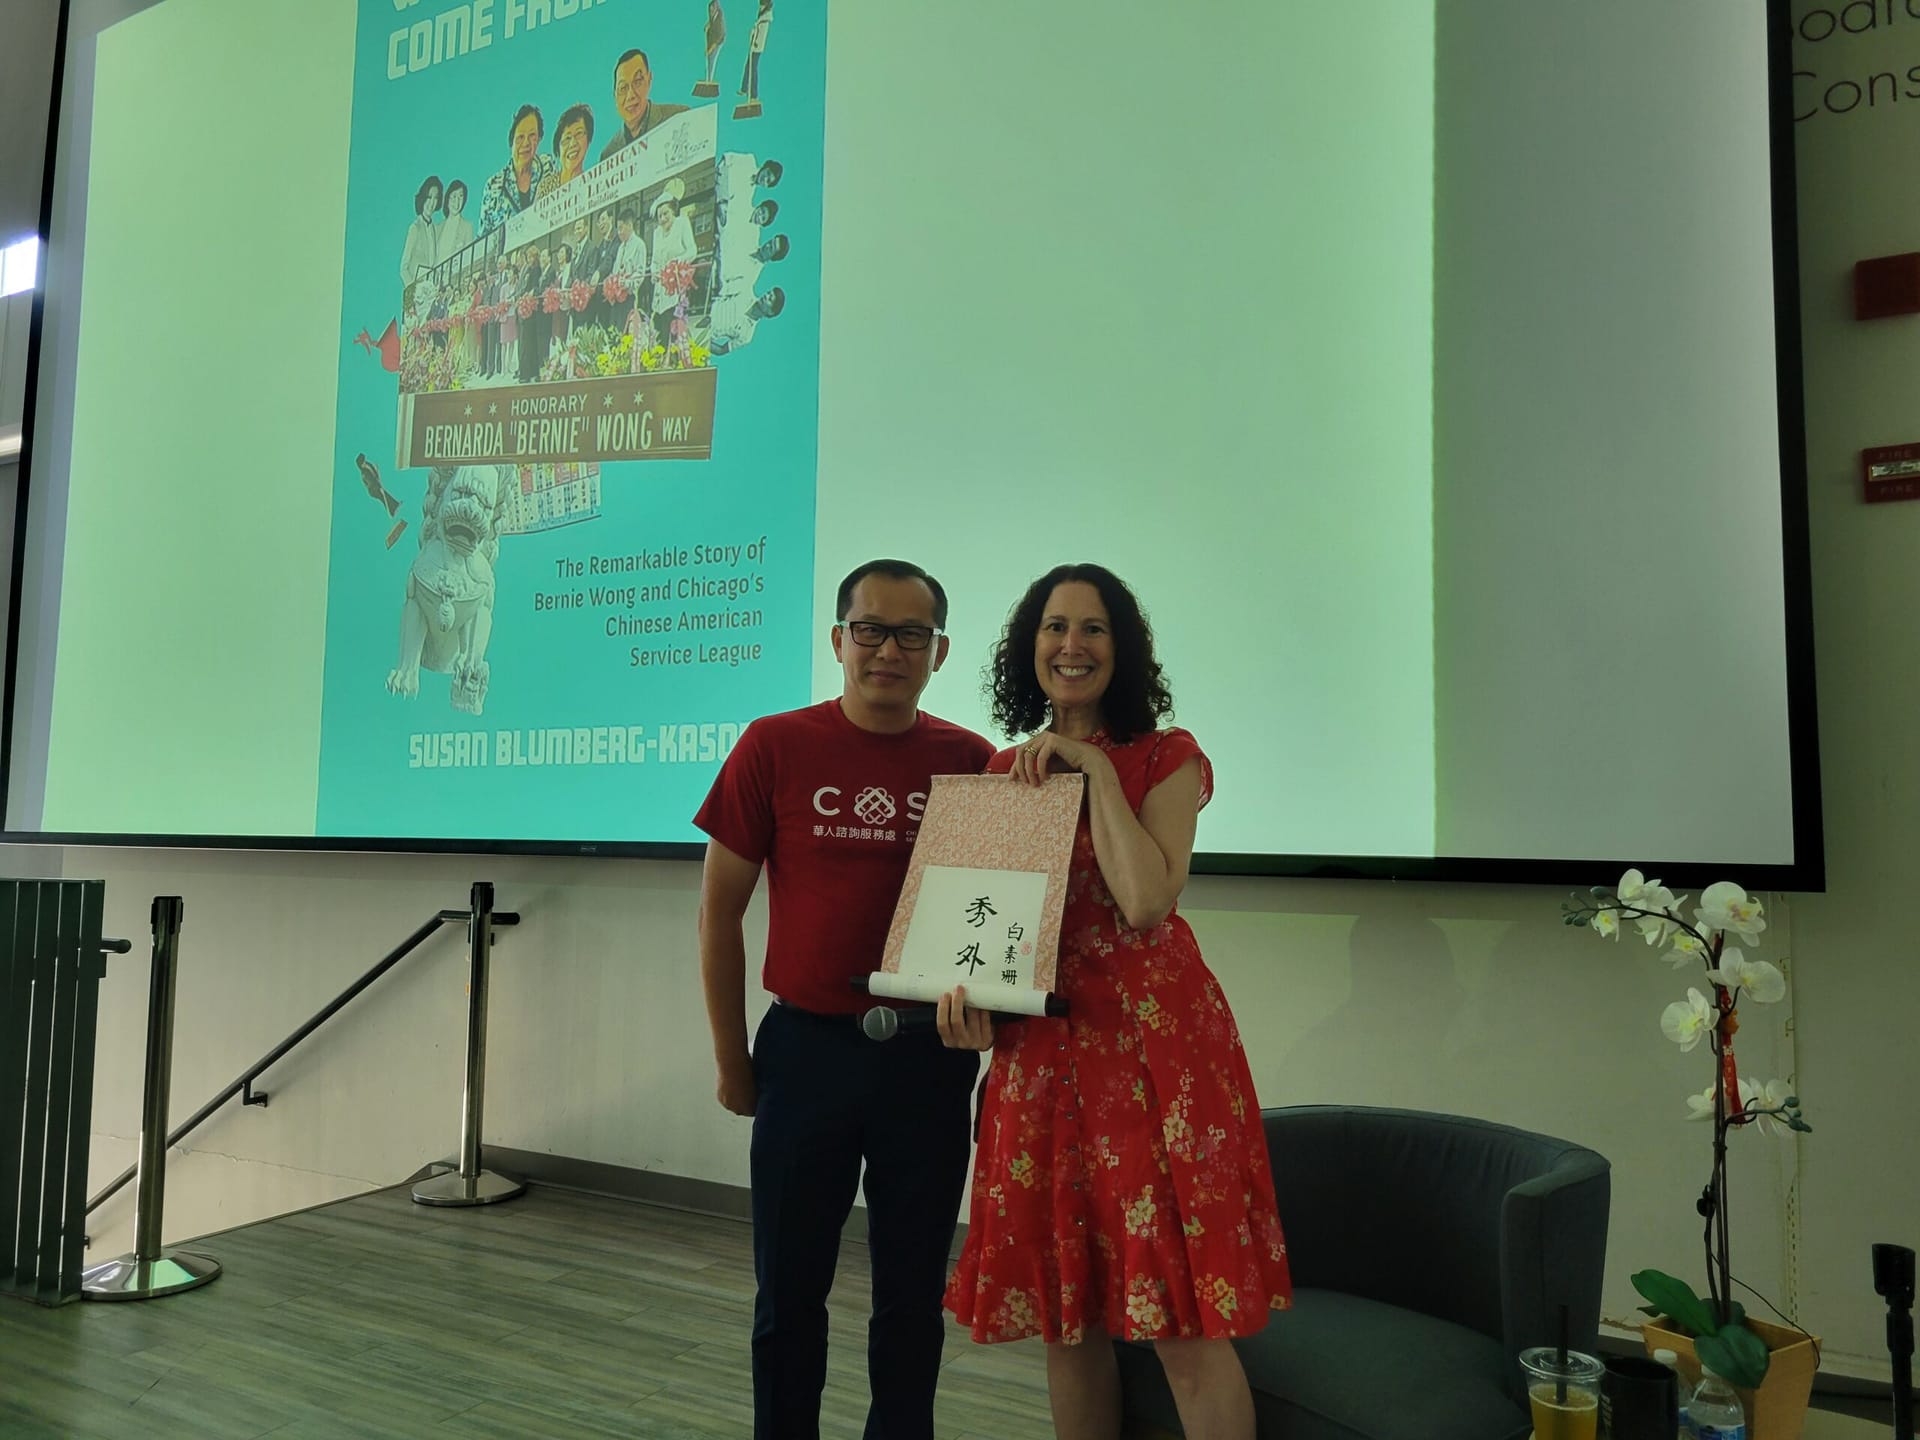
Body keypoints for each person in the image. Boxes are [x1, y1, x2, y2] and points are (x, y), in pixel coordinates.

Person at [939, 563, 1291, 1440]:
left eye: (1093, 629)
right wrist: (968, 1006)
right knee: (1069, 1315)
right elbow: (988, 940)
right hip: (1045, 1063)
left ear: (1122, 649)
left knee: (1182, 1324)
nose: (1072, 645)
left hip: (1153, 1064)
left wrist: (1094, 770)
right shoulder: (1003, 771)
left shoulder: (1167, 757)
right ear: (1030, 648)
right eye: (1055, 627)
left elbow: (1144, 904)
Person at [695, 560, 995, 1440]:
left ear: (939, 652)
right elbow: (718, 915)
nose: (889, 650)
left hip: (927, 1063)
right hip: (804, 1055)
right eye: (870, 629)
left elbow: (1001, 925)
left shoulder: (970, 762)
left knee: (910, 1298)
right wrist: (730, 1062)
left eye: (912, 634)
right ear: (838, 641)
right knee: (789, 1294)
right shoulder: (774, 745)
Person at [480, 104, 559, 237]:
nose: (526, 143)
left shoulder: (548, 166)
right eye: (520, 137)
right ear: (512, 140)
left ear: (539, 139)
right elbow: (483, 240)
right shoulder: (493, 185)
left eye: (532, 135)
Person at [600, 48, 690, 163]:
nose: (631, 95)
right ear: (615, 96)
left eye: (637, 81)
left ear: (649, 80)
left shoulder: (679, 118)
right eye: (623, 88)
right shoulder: (608, 154)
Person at [647, 178, 698, 354]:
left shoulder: (682, 223)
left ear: (673, 211)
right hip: (660, 290)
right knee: (660, 330)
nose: (663, 219)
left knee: (675, 328)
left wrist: (675, 265)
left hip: (677, 287)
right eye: (660, 215)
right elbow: (654, 261)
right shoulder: (656, 234)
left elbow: (692, 251)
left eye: (666, 213)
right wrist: (654, 272)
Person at [538, 103, 595, 198]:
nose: (573, 143)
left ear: (588, 141)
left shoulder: (592, 186)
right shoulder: (545, 188)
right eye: (567, 138)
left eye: (579, 133)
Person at [402, 175, 441, 288]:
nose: (432, 203)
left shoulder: (434, 229)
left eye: (436, 198)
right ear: (423, 198)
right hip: (417, 293)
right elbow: (404, 268)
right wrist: (413, 291)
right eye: (429, 197)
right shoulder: (415, 228)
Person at [740, 1, 773, 108]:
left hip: (757, 47)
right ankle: (744, 89)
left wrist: (755, 43)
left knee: (753, 69)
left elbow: (762, 35)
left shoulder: (766, 19)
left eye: (762, 4)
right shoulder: (761, 16)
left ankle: (754, 95)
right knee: (748, 66)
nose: (760, 6)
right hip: (753, 45)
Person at [439, 179, 475, 264]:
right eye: (454, 196)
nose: (457, 202)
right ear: (447, 199)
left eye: (461, 196)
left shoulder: (467, 227)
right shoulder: (438, 228)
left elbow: (468, 258)